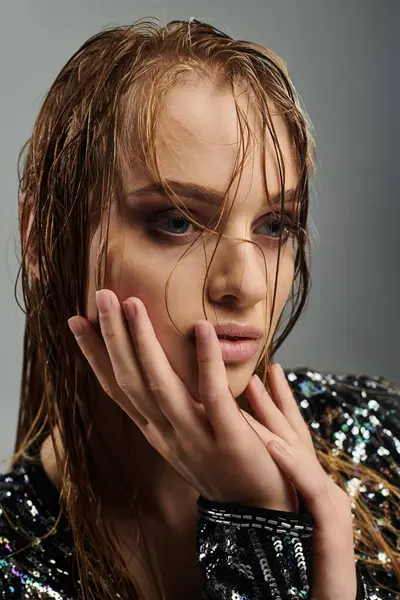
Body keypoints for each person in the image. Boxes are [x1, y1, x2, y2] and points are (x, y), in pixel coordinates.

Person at [0, 16, 399, 600]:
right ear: (44, 239)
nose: (246, 284)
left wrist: (307, 541)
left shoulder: (382, 444)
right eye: (177, 221)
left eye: (274, 227)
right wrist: (263, 530)